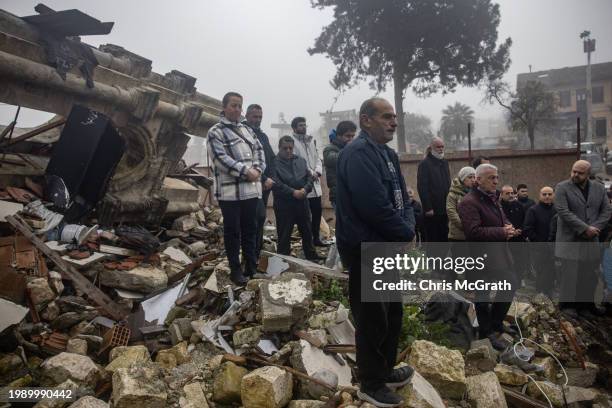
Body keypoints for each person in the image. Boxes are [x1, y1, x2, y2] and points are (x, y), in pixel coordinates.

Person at [336, 97, 415, 407]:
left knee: (392, 312)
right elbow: (374, 207)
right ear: (366, 120)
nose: (393, 122)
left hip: (388, 245)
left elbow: (403, 198)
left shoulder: (388, 154)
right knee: (372, 318)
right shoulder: (356, 154)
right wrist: (406, 231)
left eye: (394, 117)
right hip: (366, 247)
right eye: (386, 116)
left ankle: (384, 370)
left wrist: (407, 226)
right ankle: (370, 382)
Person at [458, 164, 519, 350]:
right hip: (479, 256)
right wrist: (501, 232)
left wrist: (508, 227)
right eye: (491, 178)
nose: (496, 181)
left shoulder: (492, 197)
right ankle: (486, 331)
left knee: (510, 283)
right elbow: (473, 232)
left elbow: (501, 218)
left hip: (498, 255)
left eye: (497, 177)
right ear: (478, 180)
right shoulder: (469, 202)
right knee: (482, 296)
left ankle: (496, 322)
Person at [207, 92, 265, 285]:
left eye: (240, 106)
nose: (237, 109)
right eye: (233, 105)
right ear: (224, 107)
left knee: (250, 230)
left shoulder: (247, 130)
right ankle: (235, 270)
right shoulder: (215, 132)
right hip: (230, 194)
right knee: (232, 232)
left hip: (250, 191)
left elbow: (259, 150)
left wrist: (257, 169)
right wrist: (245, 171)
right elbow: (220, 159)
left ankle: (251, 268)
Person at [554, 160, 611, 319]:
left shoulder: (599, 188)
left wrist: (595, 228)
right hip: (570, 239)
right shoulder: (562, 187)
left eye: (580, 173)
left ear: (588, 174)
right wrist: (585, 228)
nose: (575, 175)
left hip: (591, 239)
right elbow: (563, 212)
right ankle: (568, 306)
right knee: (571, 275)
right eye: (574, 171)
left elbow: (606, 211)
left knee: (589, 275)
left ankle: (586, 306)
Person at [271, 136, 324, 261]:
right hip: (284, 204)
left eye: (290, 148)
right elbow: (276, 182)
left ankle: (312, 257)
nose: (288, 151)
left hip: (302, 202)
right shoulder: (273, 163)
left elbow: (309, 178)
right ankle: (283, 260)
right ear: (279, 148)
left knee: (307, 231)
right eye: (285, 148)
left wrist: (305, 190)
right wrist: (292, 192)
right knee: (284, 234)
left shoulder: (301, 160)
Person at [290, 117, 329, 247]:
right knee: (305, 216)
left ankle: (316, 238)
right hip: (303, 183)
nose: (304, 127)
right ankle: (308, 241)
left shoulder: (311, 141)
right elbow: (297, 161)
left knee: (317, 211)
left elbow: (317, 158)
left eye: (305, 125)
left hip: (315, 182)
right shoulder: (292, 142)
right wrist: (310, 173)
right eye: (300, 125)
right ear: (294, 128)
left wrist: (317, 171)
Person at [243, 104, 275, 259]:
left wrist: (272, 179)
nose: (258, 120)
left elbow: (271, 158)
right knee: (254, 218)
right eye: (255, 117)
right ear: (247, 116)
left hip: (266, 185)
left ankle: (257, 251)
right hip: (251, 184)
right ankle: (250, 255)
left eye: (260, 117)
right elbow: (248, 161)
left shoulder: (262, 135)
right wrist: (263, 178)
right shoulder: (243, 133)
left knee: (260, 219)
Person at [523, 186, 556, 296]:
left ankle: (548, 295)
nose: (547, 196)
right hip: (539, 248)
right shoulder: (533, 210)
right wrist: (538, 241)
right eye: (544, 194)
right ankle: (540, 297)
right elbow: (527, 228)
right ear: (539, 195)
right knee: (541, 272)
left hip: (554, 247)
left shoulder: (557, 210)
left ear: (553, 195)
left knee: (551, 272)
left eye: (550, 194)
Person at [417, 137, 451, 243]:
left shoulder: (444, 162)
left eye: (442, 147)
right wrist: (428, 208)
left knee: (444, 239)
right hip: (432, 211)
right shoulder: (425, 164)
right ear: (431, 147)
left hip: (445, 208)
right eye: (438, 147)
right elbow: (422, 187)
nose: (441, 149)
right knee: (434, 240)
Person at [323, 121, 357, 209]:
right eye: (348, 136)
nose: (351, 139)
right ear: (338, 136)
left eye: (353, 136)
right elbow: (332, 159)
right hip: (339, 195)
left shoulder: (350, 149)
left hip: (353, 193)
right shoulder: (329, 149)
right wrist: (349, 149)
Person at [500, 185, 528, 283]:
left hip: (519, 239)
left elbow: (525, 220)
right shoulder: (499, 207)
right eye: (507, 193)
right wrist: (511, 231)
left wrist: (520, 230)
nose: (511, 195)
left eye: (512, 193)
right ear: (501, 194)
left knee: (519, 261)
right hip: (506, 240)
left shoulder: (519, 206)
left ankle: (518, 280)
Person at [447, 166, 476, 242]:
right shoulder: (453, 193)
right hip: (458, 235)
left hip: (474, 234)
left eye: (474, 177)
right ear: (463, 179)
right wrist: (464, 226)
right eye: (470, 177)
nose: (473, 180)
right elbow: (451, 212)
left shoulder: (476, 193)